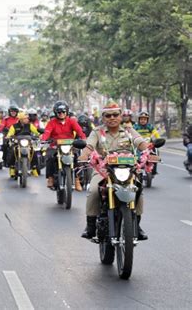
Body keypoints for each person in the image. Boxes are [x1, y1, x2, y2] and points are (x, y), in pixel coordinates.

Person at [78, 101, 149, 240]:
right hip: (103, 170)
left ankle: (137, 225)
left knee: (138, 190)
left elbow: (140, 142)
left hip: (127, 171)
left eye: (115, 114)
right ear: (103, 118)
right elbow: (89, 146)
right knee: (93, 191)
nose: (112, 118)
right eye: (108, 115)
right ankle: (90, 225)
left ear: (121, 116)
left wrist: (148, 150)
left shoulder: (128, 131)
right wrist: (84, 154)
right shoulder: (97, 132)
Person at [41, 101, 86, 191]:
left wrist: (84, 139)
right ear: (56, 113)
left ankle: (77, 180)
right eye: (59, 112)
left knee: (78, 158)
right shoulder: (52, 122)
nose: (61, 114)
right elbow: (47, 132)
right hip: (55, 146)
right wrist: (43, 139)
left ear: (67, 112)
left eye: (63, 112)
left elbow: (79, 131)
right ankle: (50, 178)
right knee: (49, 157)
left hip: (70, 146)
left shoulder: (71, 121)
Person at [6, 111, 40, 177]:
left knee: (33, 151)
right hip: (17, 143)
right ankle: (12, 167)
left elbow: (36, 132)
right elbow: (10, 134)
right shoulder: (14, 126)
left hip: (27, 143)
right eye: (25, 118)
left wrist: (39, 135)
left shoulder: (30, 125)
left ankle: (34, 168)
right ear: (21, 119)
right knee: (12, 151)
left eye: (27, 118)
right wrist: (8, 136)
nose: (27, 119)